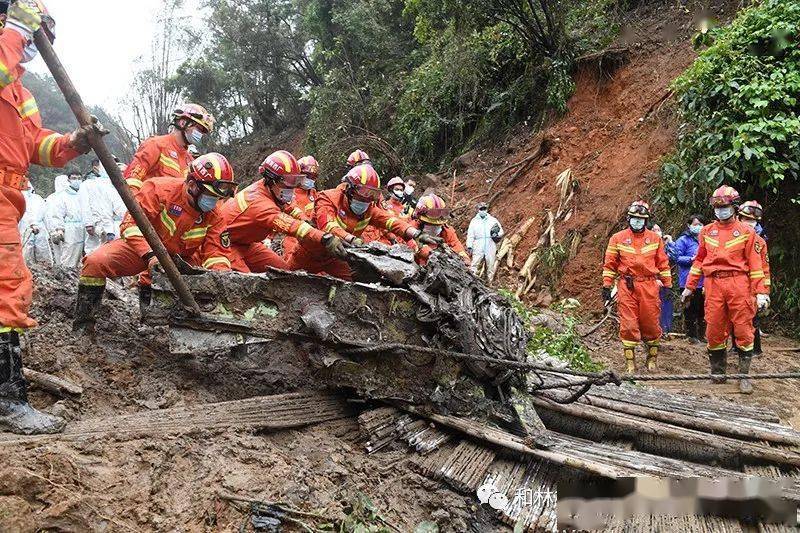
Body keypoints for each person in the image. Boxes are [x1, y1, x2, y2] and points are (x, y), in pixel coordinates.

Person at [0, 0, 106, 434]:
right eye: (35, 35)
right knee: (6, 286)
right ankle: (6, 400)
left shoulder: (20, 92)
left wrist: (74, 143)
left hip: (9, 191)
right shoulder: (4, 61)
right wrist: (15, 33)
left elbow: (35, 146)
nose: (34, 46)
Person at [74, 153, 237, 333]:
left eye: (218, 198)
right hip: (143, 249)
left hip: (183, 261)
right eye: (211, 196)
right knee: (95, 262)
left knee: (196, 292)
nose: (213, 203)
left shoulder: (215, 214)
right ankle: (84, 327)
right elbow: (130, 225)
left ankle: (179, 323)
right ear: (192, 186)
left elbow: (217, 254)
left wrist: (222, 281)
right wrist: (150, 254)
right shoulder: (159, 190)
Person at [681, 186, 769, 394]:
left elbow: (756, 266)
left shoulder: (747, 232)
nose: (721, 210)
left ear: (735, 207)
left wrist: (762, 292)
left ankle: (744, 376)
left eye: (725, 206)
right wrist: (689, 287)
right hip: (713, 285)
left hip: (739, 283)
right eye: (717, 207)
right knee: (713, 328)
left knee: (743, 329)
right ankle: (717, 373)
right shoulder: (706, 231)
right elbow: (699, 261)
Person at [286, 164, 438, 279]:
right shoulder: (328, 198)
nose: (367, 199)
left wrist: (415, 233)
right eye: (364, 192)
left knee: (355, 283)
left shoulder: (368, 208)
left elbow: (390, 221)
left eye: (372, 194)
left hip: (336, 257)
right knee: (285, 278)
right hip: (309, 253)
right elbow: (328, 226)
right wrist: (352, 239)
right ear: (349, 189)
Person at [220, 150, 345, 273]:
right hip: (225, 244)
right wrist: (324, 238)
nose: (292, 187)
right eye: (289, 182)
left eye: (295, 181)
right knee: (244, 282)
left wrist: (305, 220)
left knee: (283, 272)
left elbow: (289, 207)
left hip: (247, 243)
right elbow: (290, 225)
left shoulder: (272, 190)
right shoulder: (259, 204)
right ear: (271, 179)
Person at [602, 201, 672, 373]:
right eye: (634, 218)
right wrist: (606, 286)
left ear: (646, 220)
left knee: (651, 323)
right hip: (627, 285)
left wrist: (668, 286)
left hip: (649, 285)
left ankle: (652, 359)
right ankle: (630, 363)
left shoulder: (655, 239)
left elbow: (663, 264)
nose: (637, 222)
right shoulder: (617, 238)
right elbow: (610, 265)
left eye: (641, 219)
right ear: (629, 218)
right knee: (628, 323)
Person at [123, 104, 214, 191]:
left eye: (203, 132)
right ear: (183, 123)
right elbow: (131, 181)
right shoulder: (155, 145)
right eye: (199, 128)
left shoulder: (190, 161)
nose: (200, 134)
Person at [667, 214, 706, 344]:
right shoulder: (683, 240)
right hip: (687, 279)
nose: (699, 227)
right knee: (690, 308)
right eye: (695, 225)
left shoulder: (707, 239)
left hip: (705, 281)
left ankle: (702, 335)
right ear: (689, 226)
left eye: (701, 224)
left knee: (704, 309)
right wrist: (691, 259)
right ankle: (692, 336)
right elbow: (676, 257)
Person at [737, 200, 770, 356]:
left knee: (753, 318)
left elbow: (764, 267)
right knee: (734, 318)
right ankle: (735, 347)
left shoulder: (760, 242)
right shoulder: (733, 237)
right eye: (747, 220)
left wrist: (764, 291)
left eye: (753, 221)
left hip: (753, 285)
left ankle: (755, 348)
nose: (750, 223)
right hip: (735, 284)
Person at [409, 194, 470, 266]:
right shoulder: (411, 229)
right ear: (419, 220)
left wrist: (464, 258)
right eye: (431, 224)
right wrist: (429, 253)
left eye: (438, 225)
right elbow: (409, 244)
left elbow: (456, 245)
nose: (435, 227)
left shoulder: (446, 230)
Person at [281, 155, 319, 259]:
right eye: (308, 176)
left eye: (313, 177)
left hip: (313, 236)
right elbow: (291, 208)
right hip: (294, 236)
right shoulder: (289, 192)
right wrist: (306, 221)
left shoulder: (313, 193)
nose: (310, 180)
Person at [45, 173, 85, 269]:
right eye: (74, 178)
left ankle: (74, 274)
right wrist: (59, 229)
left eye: (79, 178)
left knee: (78, 255)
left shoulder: (82, 194)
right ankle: (64, 272)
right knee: (68, 252)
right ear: (69, 180)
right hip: (69, 228)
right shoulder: (61, 196)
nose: (77, 180)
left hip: (82, 227)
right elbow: (57, 214)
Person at [363, 176, 413, 245]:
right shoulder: (383, 206)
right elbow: (381, 222)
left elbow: (408, 226)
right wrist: (390, 236)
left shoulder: (406, 210)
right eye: (397, 189)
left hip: (402, 243)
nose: (400, 192)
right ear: (391, 191)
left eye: (401, 190)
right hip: (384, 241)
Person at [466, 203, 504, 282]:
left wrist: (496, 234)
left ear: (486, 209)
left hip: (490, 243)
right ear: (478, 210)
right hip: (478, 243)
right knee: (475, 264)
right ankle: (472, 282)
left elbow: (500, 231)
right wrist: (469, 245)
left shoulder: (493, 220)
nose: (483, 211)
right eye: (481, 209)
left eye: (484, 209)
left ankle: (489, 283)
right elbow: (470, 235)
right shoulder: (474, 221)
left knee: (490, 265)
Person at [19, 184, 53, 266]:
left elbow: (46, 215)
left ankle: (45, 268)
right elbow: (24, 213)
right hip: (25, 227)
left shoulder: (37, 198)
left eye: (28, 188)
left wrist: (51, 230)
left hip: (40, 227)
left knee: (43, 249)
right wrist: (32, 223)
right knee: (26, 250)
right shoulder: (19, 198)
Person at [651, 224, 673, 334]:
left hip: (665, 280)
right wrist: (654, 278)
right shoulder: (648, 246)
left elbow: (674, 257)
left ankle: (666, 330)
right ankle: (655, 331)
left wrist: (670, 243)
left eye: (659, 230)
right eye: (654, 230)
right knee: (654, 307)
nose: (657, 232)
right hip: (650, 281)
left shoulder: (665, 245)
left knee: (666, 307)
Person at [44, 174, 69, 267]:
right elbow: (49, 215)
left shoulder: (51, 197)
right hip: (63, 228)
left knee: (60, 252)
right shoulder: (56, 197)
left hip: (58, 228)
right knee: (65, 252)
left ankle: (61, 268)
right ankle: (63, 270)